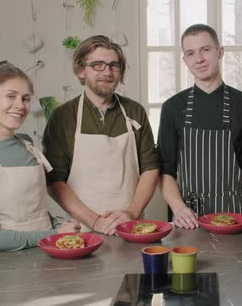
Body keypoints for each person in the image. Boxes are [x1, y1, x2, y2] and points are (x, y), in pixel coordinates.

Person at [43, 35, 159, 235]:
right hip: (83, 230)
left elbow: (150, 168)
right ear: (81, 70)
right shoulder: (63, 117)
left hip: (131, 228)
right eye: (97, 65)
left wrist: (131, 212)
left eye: (114, 65)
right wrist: (95, 221)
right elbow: (54, 181)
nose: (107, 72)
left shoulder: (134, 111)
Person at [0, 61, 80, 254]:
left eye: (25, 98)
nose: (20, 105)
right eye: (10, 96)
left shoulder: (28, 145)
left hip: (45, 256)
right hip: (5, 268)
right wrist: (53, 235)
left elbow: (35, 212)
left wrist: (60, 224)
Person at [158, 24, 242, 229]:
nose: (198, 59)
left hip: (236, 215)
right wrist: (178, 208)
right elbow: (166, 171)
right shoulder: (172, 107)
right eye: (190, 53)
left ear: (220, 52)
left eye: (205, 50)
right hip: (188, 219)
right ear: (185, 60)